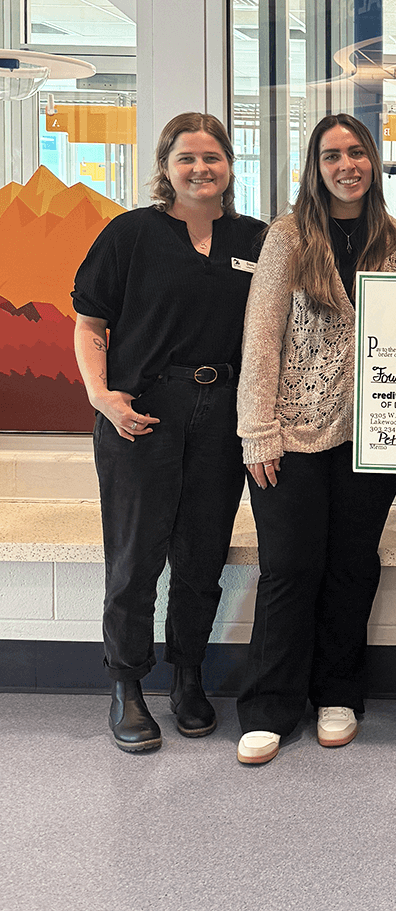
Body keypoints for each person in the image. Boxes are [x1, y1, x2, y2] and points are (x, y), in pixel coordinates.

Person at [72, 112, 266, 752]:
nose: (200, 169)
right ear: (165, 167)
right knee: (134, 561)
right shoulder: (130, 235)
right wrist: (104, 399)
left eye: (212, 157)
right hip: (142, 419)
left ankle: (188, 678)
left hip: (221, 418)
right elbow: (89, 323)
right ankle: (127, 685)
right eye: (187, 158)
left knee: (201, 559)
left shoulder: (255, 240)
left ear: (230, 167)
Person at [235, 114, 396, 765]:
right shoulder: (288, 237)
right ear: (315, 168)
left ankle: (337, 691)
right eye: (332, 155)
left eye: (356, 153)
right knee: (289, 567)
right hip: (291, 432)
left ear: (373, 162)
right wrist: (256, 430)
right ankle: (270, 703)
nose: (347, 165)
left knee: (350, 565)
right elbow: (260, 339)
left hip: (373, 436)